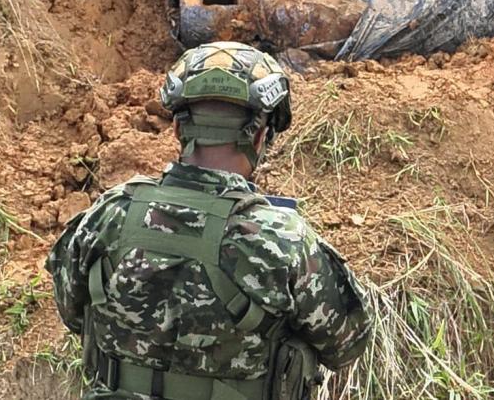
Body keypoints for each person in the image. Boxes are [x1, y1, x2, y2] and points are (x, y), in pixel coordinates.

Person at [46, 41, 372, 400]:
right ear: (261, 137)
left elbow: (73, 313)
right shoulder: (283, 239)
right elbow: (346, 344)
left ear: (178, 131)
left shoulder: (108, 215)